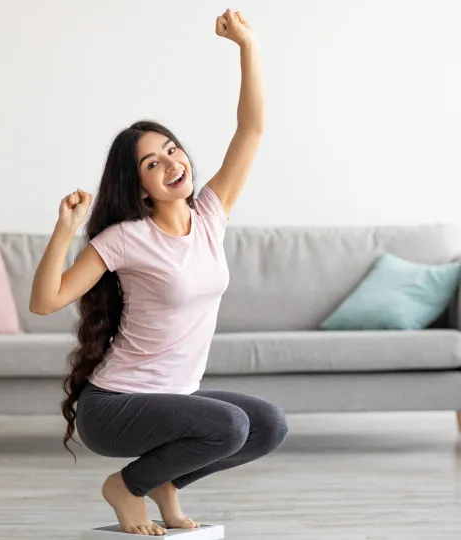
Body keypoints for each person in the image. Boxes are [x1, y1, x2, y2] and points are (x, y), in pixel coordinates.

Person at [30, 9, 287, 537]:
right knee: (231, 424)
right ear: (140, 184)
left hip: (173, 403)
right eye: (153, 163)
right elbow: (46, 300)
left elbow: (253, 127)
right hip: (115, 408)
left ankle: (163, 482)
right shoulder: (126, 238)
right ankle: (127, 489)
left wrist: (248, 45)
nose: (172, 163)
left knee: (266, 425)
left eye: (172, 150)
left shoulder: (211, 215)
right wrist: (65, 228)